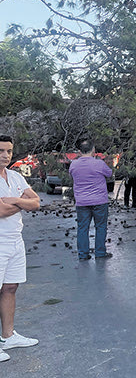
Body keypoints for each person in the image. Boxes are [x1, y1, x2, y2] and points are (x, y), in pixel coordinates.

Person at [0, 135, 40, 362]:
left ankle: (7, 336)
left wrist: (13, 201)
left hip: (15, 240)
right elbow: (1, 212)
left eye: (9, 151)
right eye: (0, 151)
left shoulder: (15, 176)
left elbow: (36, 202)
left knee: (10, 287)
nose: (5, 155)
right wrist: (22, 203)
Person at [69, 140, 113, 261]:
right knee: (101, 227)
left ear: (79, 152)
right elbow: (109, 174)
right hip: (99, 201)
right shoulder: (99, 164)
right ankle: (100, 252)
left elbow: (71, 175)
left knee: (82, 228)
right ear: (93, 150)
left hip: (82, 202)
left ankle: (83, 254)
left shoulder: (73, 164)